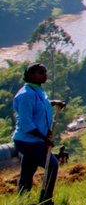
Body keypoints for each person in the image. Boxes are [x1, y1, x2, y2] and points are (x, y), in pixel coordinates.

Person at [12, 63, 66, 194]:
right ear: (30, 75)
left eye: (45, 72)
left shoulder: (37, 90)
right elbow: (27, 125)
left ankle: (22, 200)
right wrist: (45, 139)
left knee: (28, 169)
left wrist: (54, 103)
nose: (45, 75)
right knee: (52, 166)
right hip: (28, 141)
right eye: (41, 73)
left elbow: (41, 104)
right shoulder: (25, 95)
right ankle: (46, 201)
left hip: (35, 140)